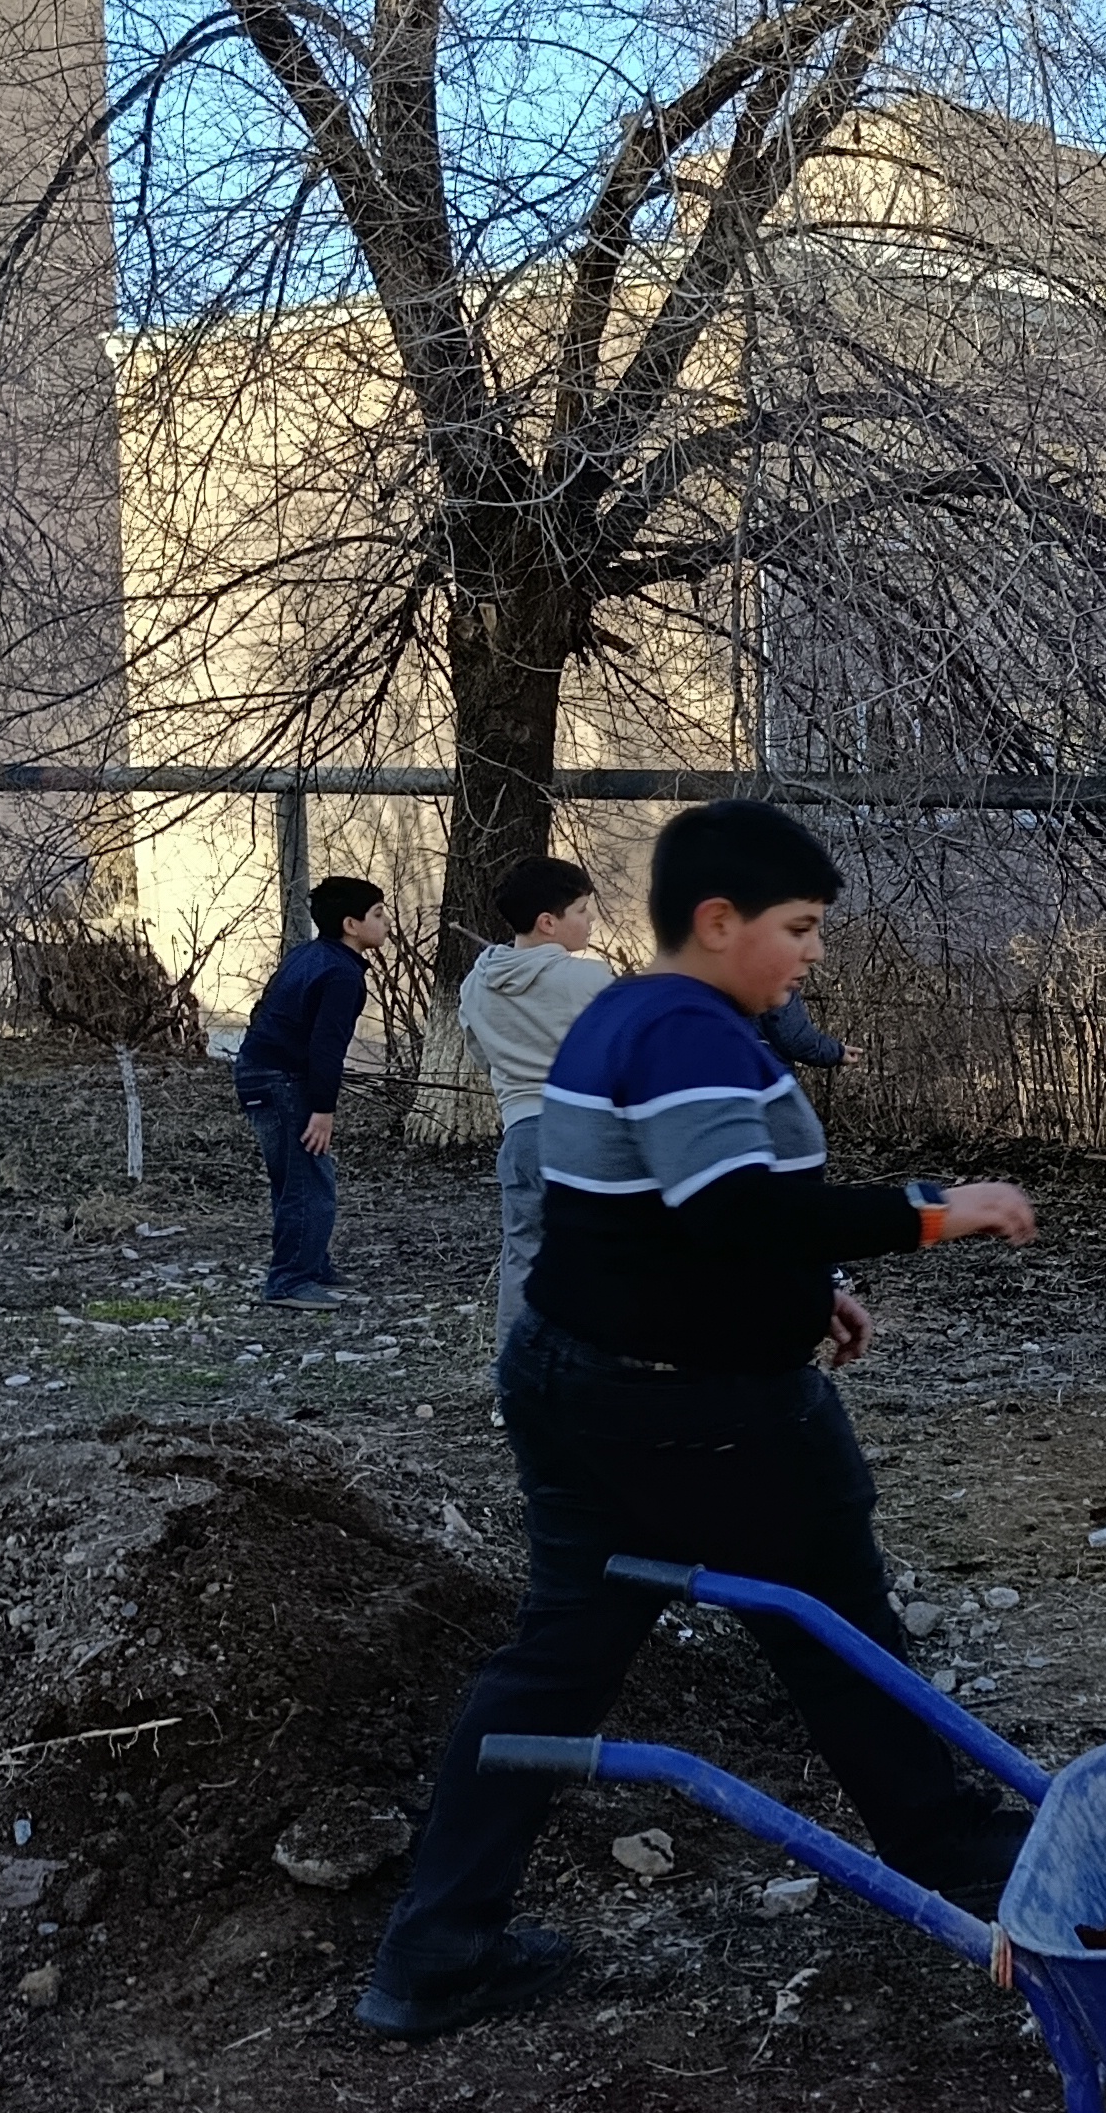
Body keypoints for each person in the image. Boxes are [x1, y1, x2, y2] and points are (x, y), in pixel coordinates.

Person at [359, 800, 1038, 2042]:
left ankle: (434, 1949)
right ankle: (955, 1856)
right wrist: (935, 1210)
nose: (814, 953)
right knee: (836, 1618)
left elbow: (650, 1226)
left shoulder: (620, 1014)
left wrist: (803, 1296)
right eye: (800, 928)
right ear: (718, 922)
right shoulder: (692, 1038)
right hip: (703, 1416)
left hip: (578, 1383)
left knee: (559, 1656)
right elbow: (741, 1215)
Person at [457, 854, 615, 1337]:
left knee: (524, 1256)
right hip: (590, 1134)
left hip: (523, 1134)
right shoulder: (589, 979)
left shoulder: (474, 986)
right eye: (583, 911)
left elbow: (483, 1058)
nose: (591, 921)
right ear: (549, 922)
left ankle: (517, 1390)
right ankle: (605, 1383)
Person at [232, 874, 388, 1307]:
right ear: (351, 925)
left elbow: (264, 1009)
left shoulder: (309, 955)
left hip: (261, 1072)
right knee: (308, 1182)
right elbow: (326, 1047)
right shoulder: (340, 974)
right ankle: (290, 1281)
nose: (386, 922)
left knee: (297, 1178)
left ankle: (312, 1264)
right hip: (282, 1081)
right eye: (377, 914)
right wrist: (323, 1110)